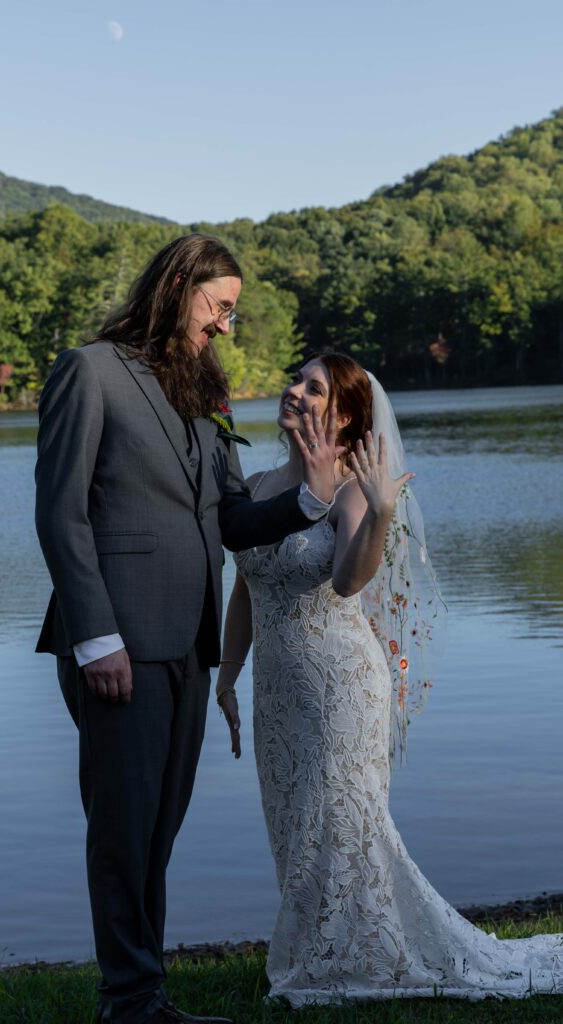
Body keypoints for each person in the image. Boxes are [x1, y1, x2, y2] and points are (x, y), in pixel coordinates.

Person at [34, 235, 345, 1024]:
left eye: (233, 311)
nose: (226, 326)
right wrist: (94, 637)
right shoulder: (88, 371)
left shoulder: (204, 391)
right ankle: (129, 999)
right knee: (123, 828)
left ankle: (145, 999)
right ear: (178, 285)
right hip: (117, 642)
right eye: (221, 306)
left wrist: (309, 498)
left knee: (158, 828)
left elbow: (233, 520)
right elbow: (60, 513)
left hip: (190, 640)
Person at [218, 351, 563, 1005]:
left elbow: (348, 580)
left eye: (312, 388)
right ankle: (324, 947)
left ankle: (339, 959)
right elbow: (245, 587)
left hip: (338, 686)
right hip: (276, 688)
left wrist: (376, 513)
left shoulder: (352, 489)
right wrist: (226, 676)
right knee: (295, 825)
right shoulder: (259, 484)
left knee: (340, 822)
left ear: (343, 414)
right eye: (295, 380)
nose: (292, 391)